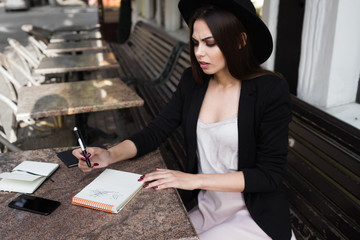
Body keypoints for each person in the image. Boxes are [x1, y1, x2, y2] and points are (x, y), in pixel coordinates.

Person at [73, 0, 295, 239]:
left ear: (240, 41)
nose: (199, 52)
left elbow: (269, 175)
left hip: (254, 215)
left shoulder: (270, 90)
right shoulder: (194, 81)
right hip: (206, 206)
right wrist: (110, 155)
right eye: (196, 42)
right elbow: (157, 130)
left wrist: (190, 180)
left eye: (210, 43)